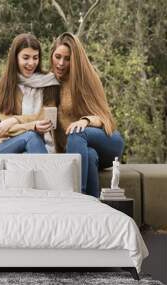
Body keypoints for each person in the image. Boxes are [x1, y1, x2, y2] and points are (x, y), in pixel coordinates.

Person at [49, 32, 124, 197]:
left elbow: (106, 118)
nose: (61, 63)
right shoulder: (48, 84)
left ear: (75, 60)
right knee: (89, 156)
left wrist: (85, 121)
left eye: (67, 59)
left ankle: (76, 198)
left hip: (107, 141)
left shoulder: (87, 79)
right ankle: (93, 208)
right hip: (79, 150)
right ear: (52, 56)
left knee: (76, 134)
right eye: (58, 56)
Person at [0, 33, 60, 154]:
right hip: (8, 146)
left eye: (35, 57)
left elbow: (46, 120)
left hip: (42, 146)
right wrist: (32, 126)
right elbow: (5, 130)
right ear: (15, 58)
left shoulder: (49, 83)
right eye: (26, 57)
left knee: (32, 138)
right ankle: (47, 172)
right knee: (30, 136)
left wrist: (14, 120)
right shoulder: (4, 87)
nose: (31, 63)